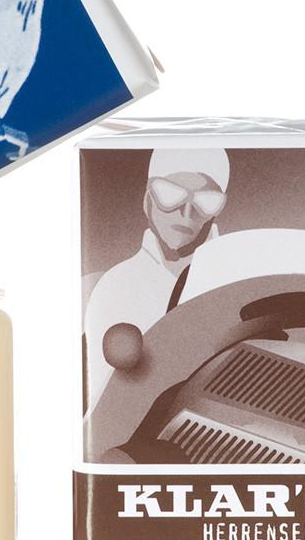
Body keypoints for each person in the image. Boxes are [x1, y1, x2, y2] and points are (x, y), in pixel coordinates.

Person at [84, 148, 230, 417]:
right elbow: (103, 403)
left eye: (206, 200)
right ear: (147, 199)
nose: (186, 212)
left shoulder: (239, 276)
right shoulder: (116, 285)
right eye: (170, 194)